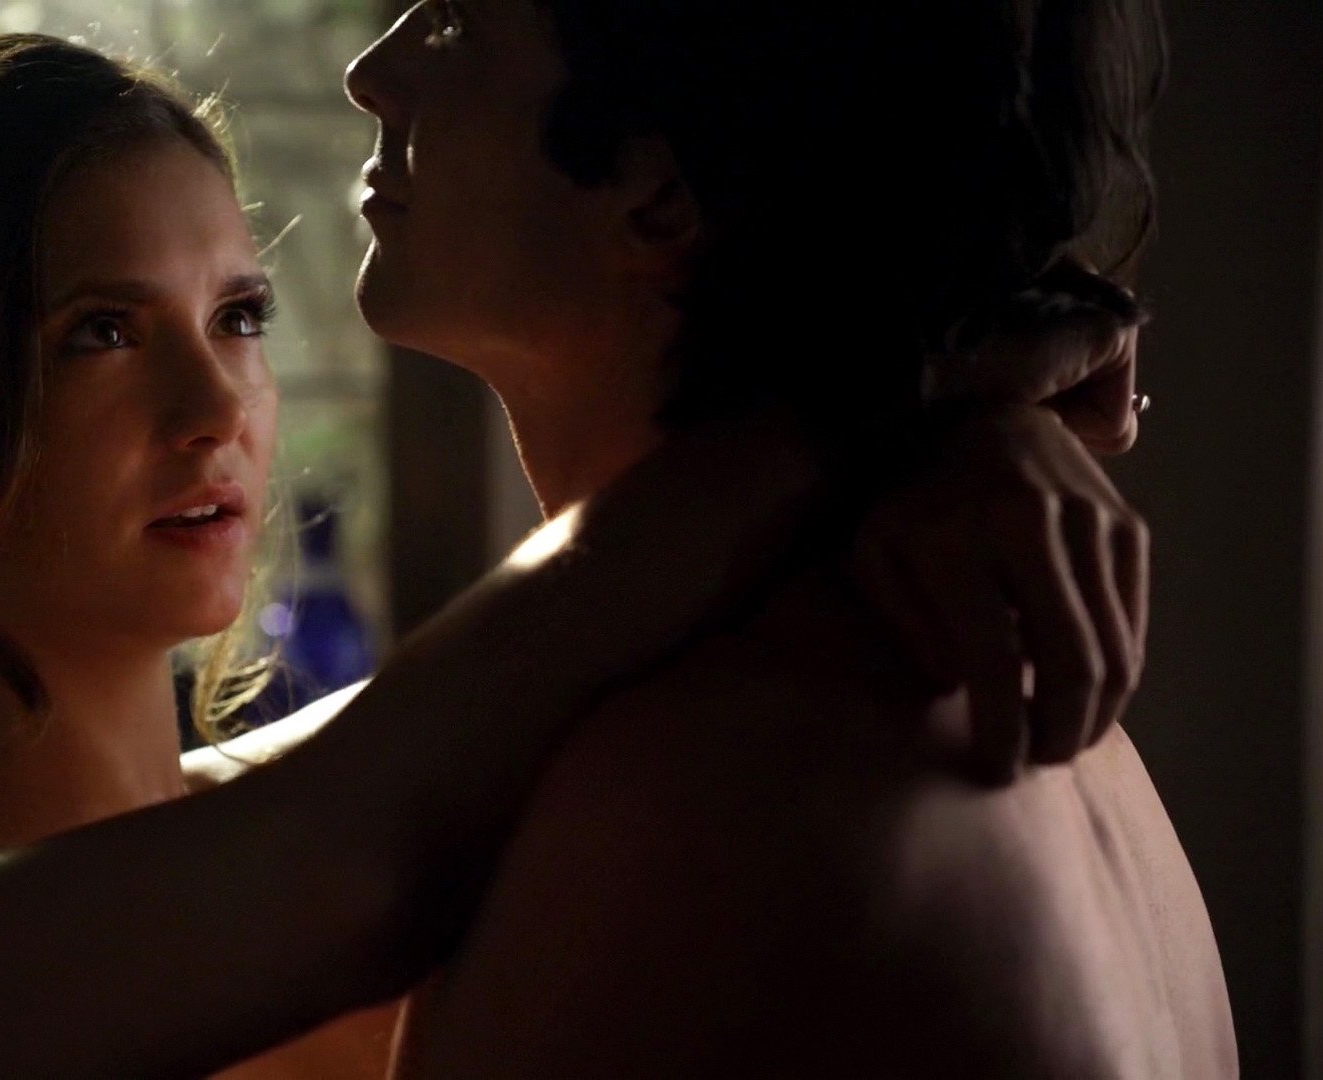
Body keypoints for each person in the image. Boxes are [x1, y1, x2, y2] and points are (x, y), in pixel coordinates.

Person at [0, 26, 1159, 1080]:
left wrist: (944, 429)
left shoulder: (449, 771)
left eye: (240, 317)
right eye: (98, 333)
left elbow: (424, 750)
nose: (215, 411)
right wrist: (906, 405)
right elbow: (357, 829)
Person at [340, 2, 1236, 1076]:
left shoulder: (674, 798)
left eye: (454, 21)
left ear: (661, 194)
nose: (370, 73)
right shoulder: (1049, 728)